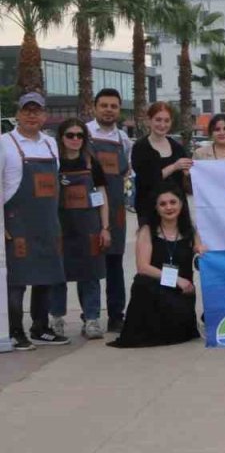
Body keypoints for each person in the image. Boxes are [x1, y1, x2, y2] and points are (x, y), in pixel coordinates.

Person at [3, 93, 69, 349]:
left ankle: (40, 327)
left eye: (37, 111)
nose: (32, 115)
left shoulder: (51, 144)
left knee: (46, 276)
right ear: (18, 114)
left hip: (47, 222)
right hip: (16, 223)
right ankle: (15, 331)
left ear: (44, 115)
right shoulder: (4, 144)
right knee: (17, 281)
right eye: (27, 110)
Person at [108, 184, 204, 348]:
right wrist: (177, 279)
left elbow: (201, 254)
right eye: (163, 204)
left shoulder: (191, 231)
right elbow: (143, 267)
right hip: (157, 288)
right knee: (142, 282)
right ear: (156, 208)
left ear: (181, 204)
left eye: (173, 202)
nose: (169, 207)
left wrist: (201, 252)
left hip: (181, 294)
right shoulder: (147, 231)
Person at [49, 119, 111, 340]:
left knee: (91, 274)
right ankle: (56, 319)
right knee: (58, 275)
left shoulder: (91, 162)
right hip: (60, 227)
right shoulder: (53, 162)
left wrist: (105, 227)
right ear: (61, 137)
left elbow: (102, 196)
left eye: (79, 135)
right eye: (70, 135)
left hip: (89, 227)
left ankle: (92, 319)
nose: (75, 139)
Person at [87, 88, 131, 332]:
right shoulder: (82, 133)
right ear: (95, 108)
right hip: (86, 210)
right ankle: (90, 315)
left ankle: (116, 315)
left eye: (113, 106)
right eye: (104, 105)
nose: (108, 110)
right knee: (90, 264)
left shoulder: (123, 139)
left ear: (119, 109)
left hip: (115, 209)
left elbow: (127, 172)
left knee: (115, 263)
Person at [131, 102, 190, 226]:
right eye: (158, 120)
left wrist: (187, 173)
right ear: (149, 120)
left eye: (166, 120)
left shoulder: (177, 147)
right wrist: (174, 167)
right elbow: (147, 179)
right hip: (148, 209)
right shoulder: (140, 147)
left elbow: (187, 181)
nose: (162, 125)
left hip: (177, 210)